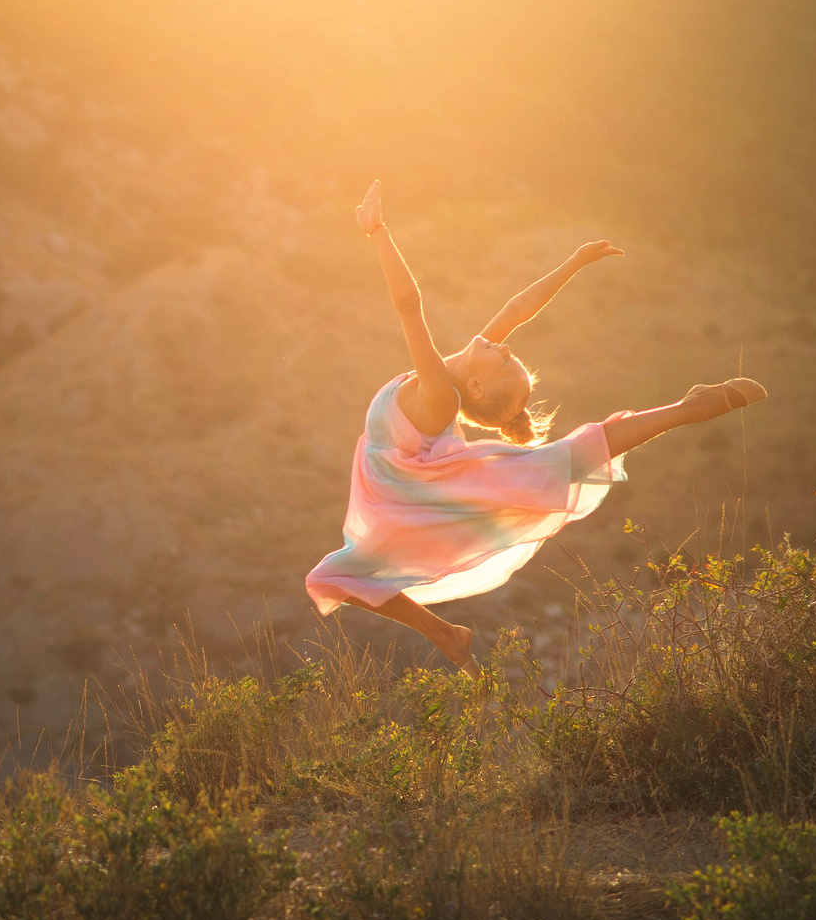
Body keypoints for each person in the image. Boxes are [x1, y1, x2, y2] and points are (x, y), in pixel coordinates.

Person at [305, 180, 767, 669]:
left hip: (404, 485)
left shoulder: (439, 392)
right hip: (397, 480)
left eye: (504, 362)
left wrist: (377, 231)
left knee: (333, 577)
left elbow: (408, 307)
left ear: (477, 391)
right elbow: (515, 311)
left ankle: (687, 409)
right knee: (338, 576)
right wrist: (574, 264)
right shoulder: (468, 364)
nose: (503, 348)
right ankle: (445, 632)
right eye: (510, 356)